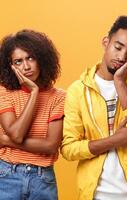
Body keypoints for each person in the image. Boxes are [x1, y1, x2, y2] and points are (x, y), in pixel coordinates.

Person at [61, 16, 127, 200]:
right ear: (106, 42)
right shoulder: (78, 90)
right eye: (118, 47)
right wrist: (115, 140)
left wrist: (119, 81)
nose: (122, 57)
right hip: (95, 195)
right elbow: (68, 148)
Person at [0, 29, 65, 200]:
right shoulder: (4, 92)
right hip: (6, 176)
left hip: (42, 180)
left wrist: (5, 141)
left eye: (30, 58)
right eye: (18, 61)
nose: (26, 67)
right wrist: (34, 92)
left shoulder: (59, 97)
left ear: (42, 59)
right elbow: (17, 133)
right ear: (10, 66)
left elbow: (51, 146)